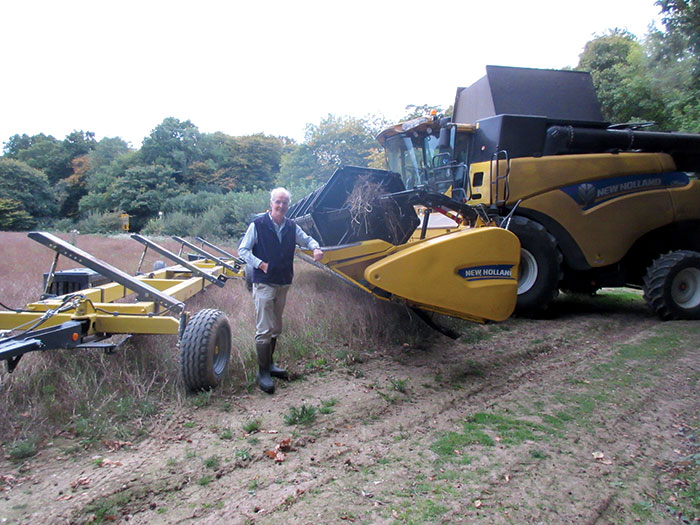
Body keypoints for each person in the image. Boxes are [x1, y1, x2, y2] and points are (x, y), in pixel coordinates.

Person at [238, 187, 324, 394]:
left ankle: (270, 365)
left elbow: (307, 239)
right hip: (264, 283)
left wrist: (316, 247)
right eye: (278, 202)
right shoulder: (258, 225)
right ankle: (262, 373)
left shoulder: (291, 226)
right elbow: (242, 250)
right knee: (264, 328)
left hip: (283, 282)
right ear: (271, 204)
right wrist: (259, 264)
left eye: (285, 202)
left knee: (276, 327)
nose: (281, 206)